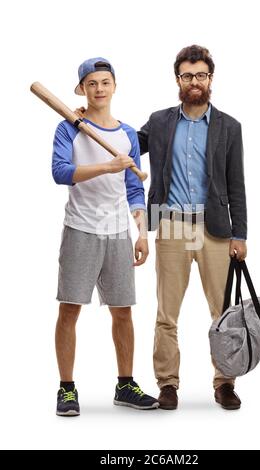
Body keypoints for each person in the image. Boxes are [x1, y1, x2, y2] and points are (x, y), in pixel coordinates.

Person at [137, 45, 247, 410]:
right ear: (178, 80)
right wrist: (88, 120)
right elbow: (125, 144)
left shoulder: (229, 127)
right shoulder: (161, 121)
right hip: (171, 224)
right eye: (188, 75)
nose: (194, 81)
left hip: (214, 228)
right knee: (167, 313)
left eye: (201, 74)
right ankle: (167, 384)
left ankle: (224, 382)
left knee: (224, 313)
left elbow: (236, 184)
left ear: (210, 79)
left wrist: (240, 234)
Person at [52, 57, 159, 416]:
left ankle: (125, 384)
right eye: (92, 83)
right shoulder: (69, 128)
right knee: (69, 309)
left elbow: (134, 190)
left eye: (105, 82)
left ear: (115, 86)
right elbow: (61, 172)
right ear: (82, 88)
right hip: (80, 228)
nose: (99, 89)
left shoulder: (127, 135)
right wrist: (107, 165)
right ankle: (66, 389)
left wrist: (141, 233)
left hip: (118, 233)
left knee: (123, 312)